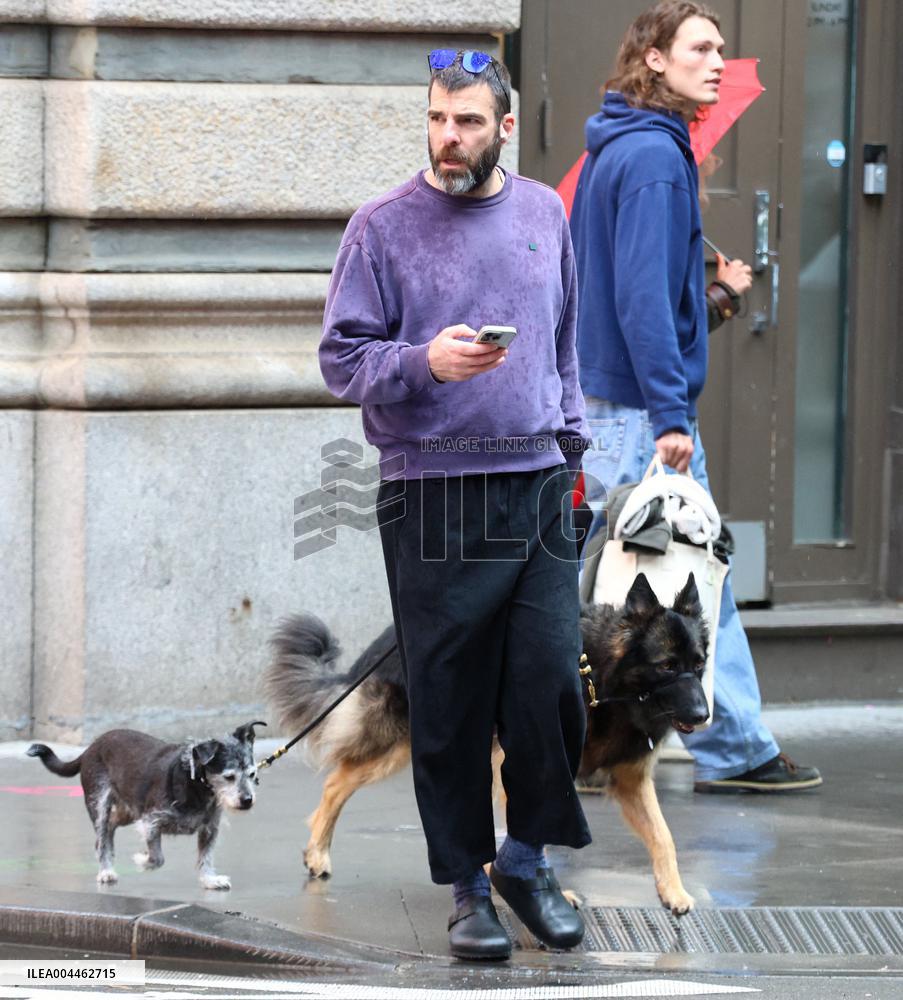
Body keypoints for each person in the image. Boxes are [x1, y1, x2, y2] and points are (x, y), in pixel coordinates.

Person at [319, 49, 590, 960]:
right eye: (437, 118)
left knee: (551, 681)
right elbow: (340, 361)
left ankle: (525, 856)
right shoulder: (381, 227)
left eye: (467, 121)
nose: (448, 136)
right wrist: (422, 362)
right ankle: (467, 887)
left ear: (503, 127)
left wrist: (573, 447)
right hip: (431, 494)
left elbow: (565, 345)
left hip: (539, 484)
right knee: (448, 699)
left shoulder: (545, 212)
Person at [570, 1, 822, 794]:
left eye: (720, 48)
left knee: (603, 580)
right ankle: (735, 746)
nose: (716, 61)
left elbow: (635, 293)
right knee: (694, 573)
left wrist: (712, 296)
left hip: (612, 402)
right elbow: (641, 300)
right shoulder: (650, 159)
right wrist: (672, 416)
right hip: (640, 414)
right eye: (700, 47)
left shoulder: (630, 147)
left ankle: (566, 732)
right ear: (653, 59)